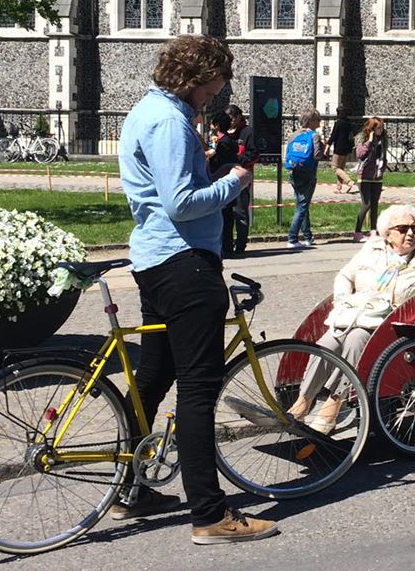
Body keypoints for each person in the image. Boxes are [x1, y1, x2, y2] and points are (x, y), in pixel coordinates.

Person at [117, 35, 277, 543]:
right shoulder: (168, 121)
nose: (218, 91)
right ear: (196, 75)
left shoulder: (148, 110)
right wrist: (234, 180)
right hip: (184, 264)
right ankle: (209, 515)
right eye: (217, 81)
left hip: (157, 259)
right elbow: (182, 203)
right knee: (198, 389)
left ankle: (132, 488)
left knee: (153, 379)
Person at [286, 204, 415, 430]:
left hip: (389, 325)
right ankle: (303, 401)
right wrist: (342, 300)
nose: (410, 234)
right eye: (403, 228)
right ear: (387, 233)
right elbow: (345, 276)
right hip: (354, 314)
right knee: (326, 343)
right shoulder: (371, 249)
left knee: (356, 340)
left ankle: (333, 405)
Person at [223, 104, 260, 256]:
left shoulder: (247, 132)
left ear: (238, 117)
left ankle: (240, 245)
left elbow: (254, 153)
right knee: (227, 213)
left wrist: (238, 159)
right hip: (227, 176)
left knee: (240, 212)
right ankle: (227, 245)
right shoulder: (227, 133)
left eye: (231, 119)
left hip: (242, 176)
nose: (229, 122)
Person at [284, 108, 324, 248]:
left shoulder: (293, 135)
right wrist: (323, 148)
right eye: (318, 119)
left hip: (293, 171)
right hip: (308, 172)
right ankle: (292, 238)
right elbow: (317, 155)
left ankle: (307, 236)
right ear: (312, 120)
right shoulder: (314, 135)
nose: (319, 122)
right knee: (302, 205)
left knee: (302, 203)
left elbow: (287, 153)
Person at [207, 112, 240, 256]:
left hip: (222, 180)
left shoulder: (224, 143)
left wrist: (211, 155)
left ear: (218, 125)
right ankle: (226, 245)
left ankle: (225, 246)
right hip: (227, 180)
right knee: (227, 216)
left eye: (213, 124)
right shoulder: (227, 141)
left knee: (225, 217)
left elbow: (218, 163)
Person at [353, 117, 388, 242]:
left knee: (375, 204)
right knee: (366, 204)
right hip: (364, 176)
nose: (381, 130)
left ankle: (373, 230)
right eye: (378, 127)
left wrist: (383, 167)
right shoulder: (362, 137)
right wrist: (370, 141)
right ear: (372, 128)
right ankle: (357, 232)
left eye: (382, 127)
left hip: (377, 176)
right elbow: (360, 154)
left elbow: (384, 154)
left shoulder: (383, 139)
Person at [328, 105, 356, 193]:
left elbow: (333, 135)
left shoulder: (338, 123)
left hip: (338, 148)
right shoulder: (349, 123)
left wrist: (328, 145)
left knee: (335, 168)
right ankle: (338, 188)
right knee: (341, 169)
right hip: (346, 149)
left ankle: (349, 181)